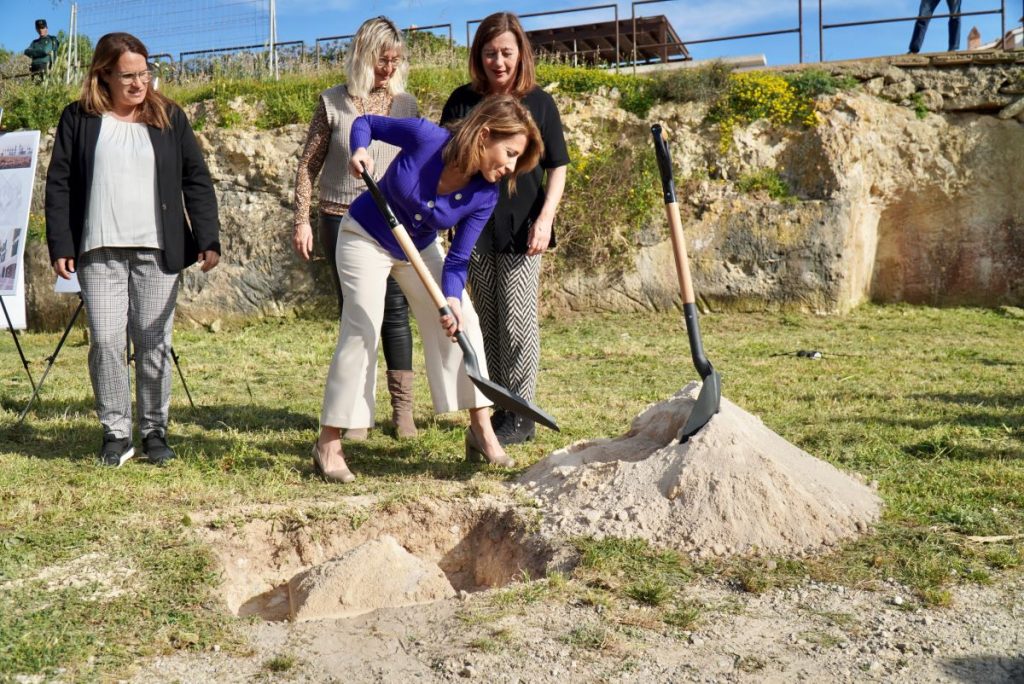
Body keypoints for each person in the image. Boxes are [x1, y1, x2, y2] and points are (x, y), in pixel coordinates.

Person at [312, 95, 543, 483]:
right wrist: (360, 151)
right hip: (365, 235)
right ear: (485, 135)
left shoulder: (484, 194)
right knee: (364, 323)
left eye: (517, 159)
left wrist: (450, 299)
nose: (510, 166)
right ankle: (328, 442)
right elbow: (365, 122)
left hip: (419, 247)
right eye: (509, 152)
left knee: (462, 321)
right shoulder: (426, 136)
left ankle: (480, 429)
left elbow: (457, 260)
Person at [45, 32, 220, 467]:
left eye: (144, 73)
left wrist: (208, 237)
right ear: (103, 74)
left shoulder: (169, 117)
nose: (139, 83)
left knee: (153, 342)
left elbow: (195, 179)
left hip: (158, 251)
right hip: (97, 251)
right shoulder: (78, 119)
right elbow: (60, 184)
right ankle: (116, 433)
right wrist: (61, 243)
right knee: (105, 341)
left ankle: (154, 432)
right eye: (128, 75)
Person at [440, 12, 569, 446]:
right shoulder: (461, 102)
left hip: (523, 229)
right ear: (479, 55)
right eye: (490, 53)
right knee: (488, 324)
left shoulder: (541, 103)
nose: (498, 61)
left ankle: (522, 414)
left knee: (518, 324)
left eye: (507, 53)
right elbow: (446, 162)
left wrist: (546, 219)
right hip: (473, 229)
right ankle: (502, 409)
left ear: (521, 54)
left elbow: (558, 168)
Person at [293, 17, 419, 440]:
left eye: (395, 61)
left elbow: (419, 165)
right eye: (382, 60)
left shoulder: (406, 105)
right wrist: (302, 221)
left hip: (391, 222)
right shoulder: (332, 102)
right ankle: (357, 413)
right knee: (357, 315)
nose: (388, 69)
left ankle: (403, 412)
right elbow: (308, 165)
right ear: (364, 56)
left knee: (396, 314)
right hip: (338, 218)